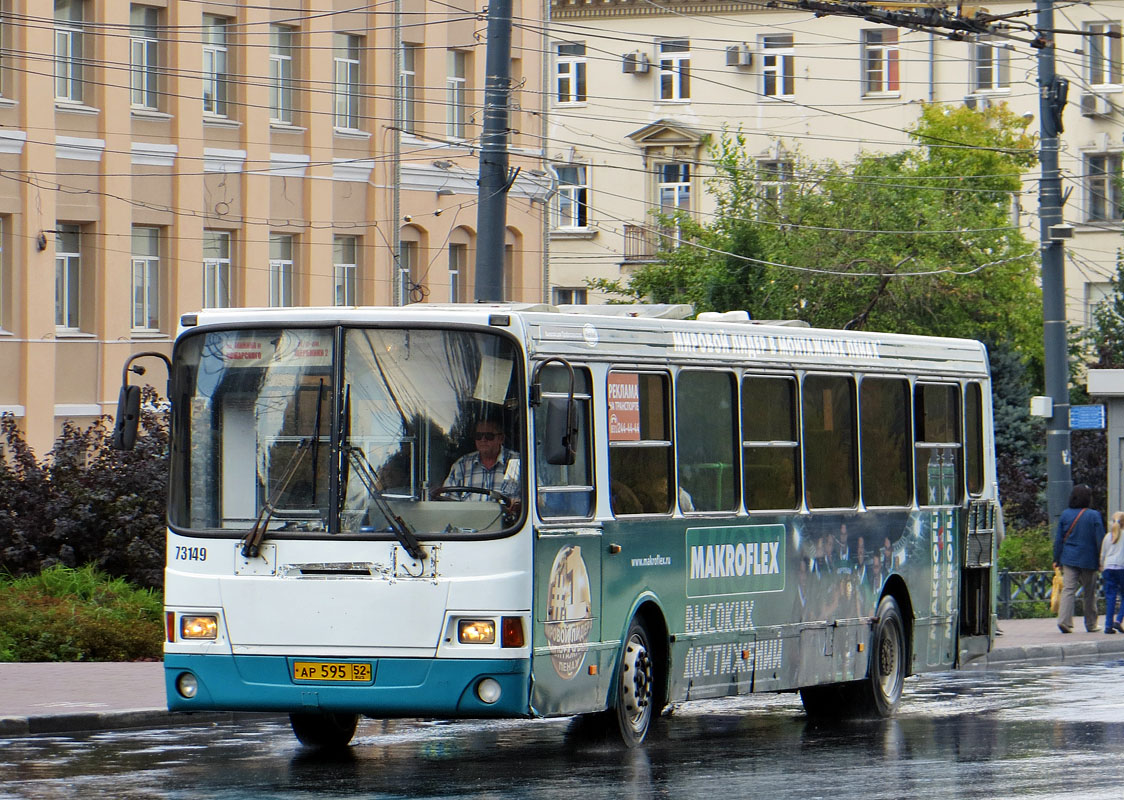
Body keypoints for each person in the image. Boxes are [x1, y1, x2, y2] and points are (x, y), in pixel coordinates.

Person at [1053, 483, 1105, 634]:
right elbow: (1100, 539)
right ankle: (1091, 624)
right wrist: (1101, 560)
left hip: (1069, 558)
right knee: (1089, 592)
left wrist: (1057, 559)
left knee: (1068, 590)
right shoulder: (1094, 515)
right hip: (1089, 560)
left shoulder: (1065, 514)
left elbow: (1059, 540)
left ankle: (1064, 621)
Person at [443, 418, 521, 501]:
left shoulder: (519, 463)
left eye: (489, 436)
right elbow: (447, 501)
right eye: (478, 436)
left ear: (501, 439)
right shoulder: (461, 465)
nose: (483, 440)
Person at [1101, 511, 1124, 634]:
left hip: (1108, 568)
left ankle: (1108, 626)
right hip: (1121, 568)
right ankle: (1119, 620)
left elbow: (1102, 555)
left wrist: (1101, 566)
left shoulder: (1107, 537)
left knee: (1110, 597)